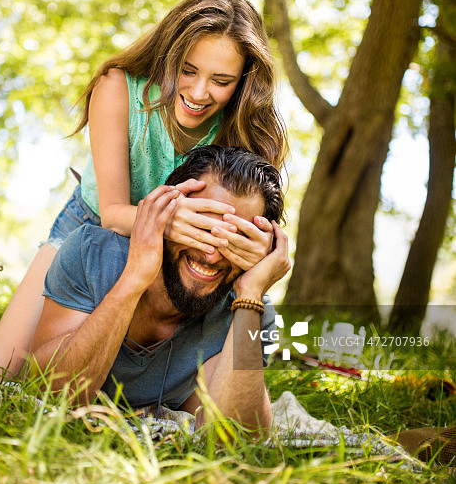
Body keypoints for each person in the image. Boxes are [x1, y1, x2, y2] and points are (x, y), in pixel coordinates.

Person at [0, 0, 287, 379]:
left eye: (221, 81)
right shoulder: (117, 87)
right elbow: (112, 214)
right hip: (88, 231)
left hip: (176, 261)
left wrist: (257, 248)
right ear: (169, 55)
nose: (199, 92)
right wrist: (167, 219)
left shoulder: (247, 128)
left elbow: (254, 222)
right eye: (187, 71)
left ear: (243, 81)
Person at [29, 146, 291, 434]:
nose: (212, 255)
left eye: (236, 240)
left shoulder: (248, 310)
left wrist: (250, 297)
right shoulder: (90, 253)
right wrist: (135, 276)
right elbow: (46, 393)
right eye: (200, 227)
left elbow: (238, 438)